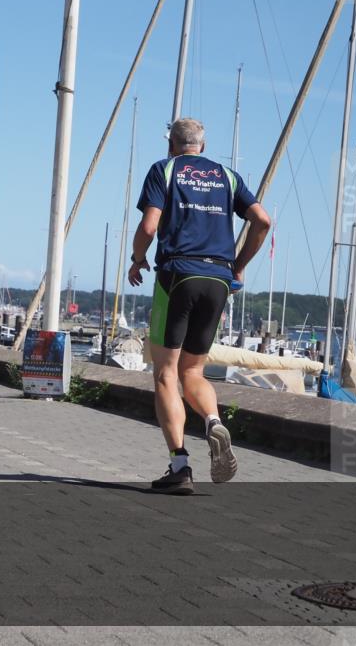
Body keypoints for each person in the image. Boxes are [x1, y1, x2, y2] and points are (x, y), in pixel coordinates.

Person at [128, 118, 271, 495]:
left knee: (166, 373)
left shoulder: (165, 170)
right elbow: (262, 220)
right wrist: (238, 266)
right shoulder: (228, 175)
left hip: (178, 275)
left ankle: (179, 465)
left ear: (172, 145)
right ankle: (211, 420)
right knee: (194, 370)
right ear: (202, 147)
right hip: (219, 279)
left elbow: (148, 227)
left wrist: (137, 259)